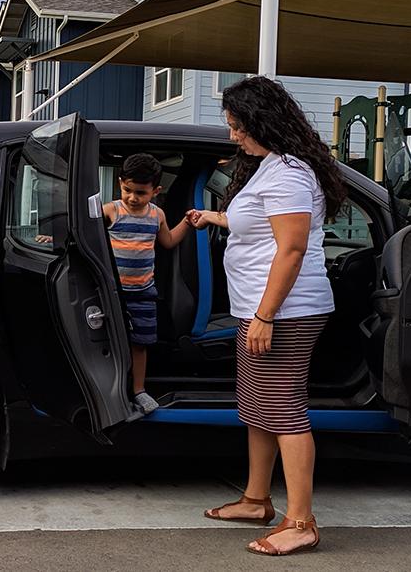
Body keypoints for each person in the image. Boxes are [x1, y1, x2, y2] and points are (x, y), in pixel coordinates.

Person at [191, 75, 345, 556]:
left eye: (238, 126)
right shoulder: (271, 167)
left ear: (263, 121)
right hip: (263, 310)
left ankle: (301, 522)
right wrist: (214, 217)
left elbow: (293, 248)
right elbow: (258, 225)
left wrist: (265, 315)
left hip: (285, 312)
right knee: (259, 410)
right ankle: (256, 500)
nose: (233, 135)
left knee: (284, 412)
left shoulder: (290, 173)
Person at [105, 153, 194, 414]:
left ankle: (139, 390)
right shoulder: (112, 211)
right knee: (111, 341)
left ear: (156, 191)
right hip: (114, 292)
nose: (133, 197)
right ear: (120, 183)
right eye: (127, 190)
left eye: (141, 193)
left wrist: (187, 223)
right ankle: (112, 389)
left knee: (140, 343)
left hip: (143, 292)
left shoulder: (157, 215)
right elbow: (86, 236)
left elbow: (167, 242)